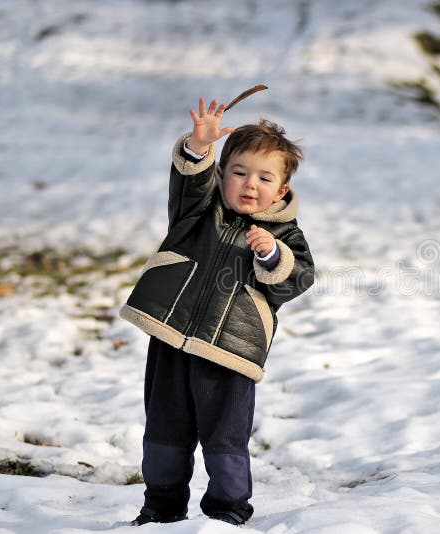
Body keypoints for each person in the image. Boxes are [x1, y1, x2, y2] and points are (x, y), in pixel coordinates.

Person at [118, 97, 315, 526]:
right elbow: (190, 180)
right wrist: (198, 147)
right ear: (222, 174)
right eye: (239, 172)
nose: (249, 184)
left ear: (282, 190)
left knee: (225, 438)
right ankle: (161, 509)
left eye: (264, 177)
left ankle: (226, 512)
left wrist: (271, 256)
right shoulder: (198, 211)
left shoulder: (286, 235)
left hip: (230, 354)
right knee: (165, 432)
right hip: (171, 339)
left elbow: (298, 279)